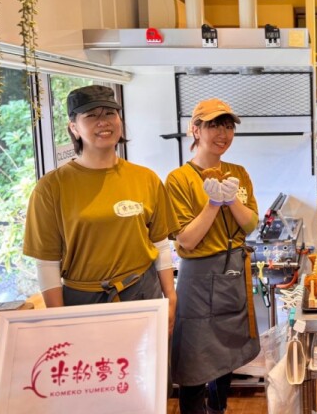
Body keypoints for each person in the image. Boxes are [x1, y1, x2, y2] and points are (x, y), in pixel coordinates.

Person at [23, 85, 180, 335]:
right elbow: (47, 262)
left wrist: (170, 297)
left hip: (142, 293)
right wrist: (58, 321)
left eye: (109, 113)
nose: (103, 122)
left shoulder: (145, 178)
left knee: (149, 372)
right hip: (83, 303)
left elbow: (159, 243)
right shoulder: (51, 187)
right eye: (91, 115)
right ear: (74, 127)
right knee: (92, 373)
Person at [165, 98, 260, 414]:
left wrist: (231, 199)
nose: (223, 133)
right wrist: (212, 204)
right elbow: (188, 240)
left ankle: (218, 409)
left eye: (229, 126)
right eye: (214, 125)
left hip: (232, 270)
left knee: (226, 356)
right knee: (194, 362)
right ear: (195, 129)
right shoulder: (180, 179)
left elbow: (250, 224)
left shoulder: (239, 173)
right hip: (199, 277)